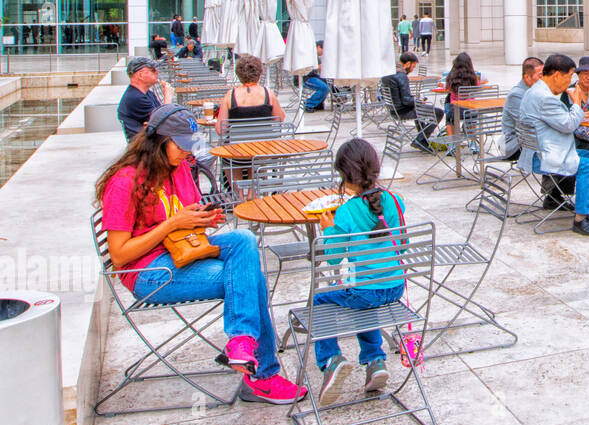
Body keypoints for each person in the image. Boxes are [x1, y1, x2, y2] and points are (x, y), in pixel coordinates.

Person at [95, 104, 306, 405]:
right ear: (159, 141)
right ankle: (261, 375)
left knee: (244, 239)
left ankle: (243, 344)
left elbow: (186, 215)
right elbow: (118, 256)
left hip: (181, 250)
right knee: (250, 279)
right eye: (180, 147)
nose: (186, 153)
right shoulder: (126, 182)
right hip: (149, 272)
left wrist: (201, 219)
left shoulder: (179, 167)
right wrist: (173, 223)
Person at [314, 138, 408, 405]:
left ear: (345, 177)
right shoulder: (396, 201)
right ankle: (375, 361)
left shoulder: (345, 212)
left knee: (322, 301)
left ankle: (331, 359)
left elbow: (332, 259)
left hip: (366, 292)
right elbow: (402, 244)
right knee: (363, 301)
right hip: (394, 287)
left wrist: (329, 230)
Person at [518, 54, 589, 236]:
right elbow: (569, 124)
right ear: (557, 75)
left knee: (588, 155)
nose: (570, 81)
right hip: (542, 157)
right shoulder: (545, 98)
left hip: (540, 150)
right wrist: (577, 102)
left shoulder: (535, 91)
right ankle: (580, 219)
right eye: (569, 76)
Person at [382, 51, 441, 151]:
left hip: (393, 110)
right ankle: (420, 139)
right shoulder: (401, 76)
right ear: (408, 64)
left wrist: (416, 101)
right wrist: (418, 101)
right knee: (438, 112)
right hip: (403, 111)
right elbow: (406, 100)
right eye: (413, 66)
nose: (412, 69)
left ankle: (422, 140)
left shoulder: (388, 73)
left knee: (420, 109)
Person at [215, 54, 286, 136]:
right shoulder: (268, 93)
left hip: (237, 145)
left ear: (238, 73)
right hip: (265, 145)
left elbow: (220, 130)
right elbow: (280, 119)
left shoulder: (230, 95)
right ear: (259, 73)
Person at [117, 56, 175, 140]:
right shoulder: (135, 98)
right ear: (141, 75)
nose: (157, 72)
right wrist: (168, 98)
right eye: (153, 70)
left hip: (151, 142)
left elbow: (160, 119)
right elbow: (165, 124)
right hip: (145, 148)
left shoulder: (147, 93)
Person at [501, 56, 544, 162]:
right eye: (540, 75)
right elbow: (529, 124)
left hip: (531, 140)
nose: (544, 79)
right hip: (515, 145)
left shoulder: (538, 90)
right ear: (527, 77)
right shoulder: (516, 95)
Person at [301, 41, 331, 112]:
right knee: (324, 88)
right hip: (306, 78)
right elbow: (320, 67)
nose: (323, 52)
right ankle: (309, 104)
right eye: (323, 50)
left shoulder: (315, 56)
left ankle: (319, 103)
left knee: (328, 83)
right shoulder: (310, 55)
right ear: (318, 47)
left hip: (312, 76)